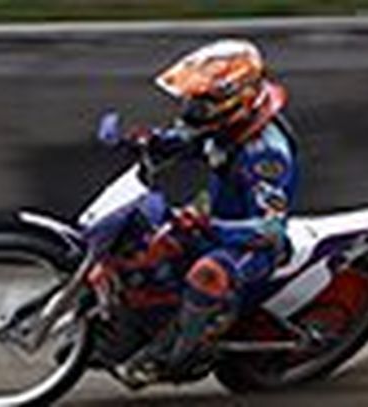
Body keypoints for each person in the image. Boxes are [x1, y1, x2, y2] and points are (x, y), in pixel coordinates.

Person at [91, 38, 299, 387]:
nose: (194, 108)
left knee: (206, 274)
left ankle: (170, 356)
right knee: (145, 242)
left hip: (251, 244)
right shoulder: (225, 123)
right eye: (194, 99)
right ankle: (131, 328)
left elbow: (269, 228)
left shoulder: (266, 156)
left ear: (237, 98)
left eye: (203, 101)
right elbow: (182, 140)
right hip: (217, 217)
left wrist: (208, 226)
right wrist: (139, 141)